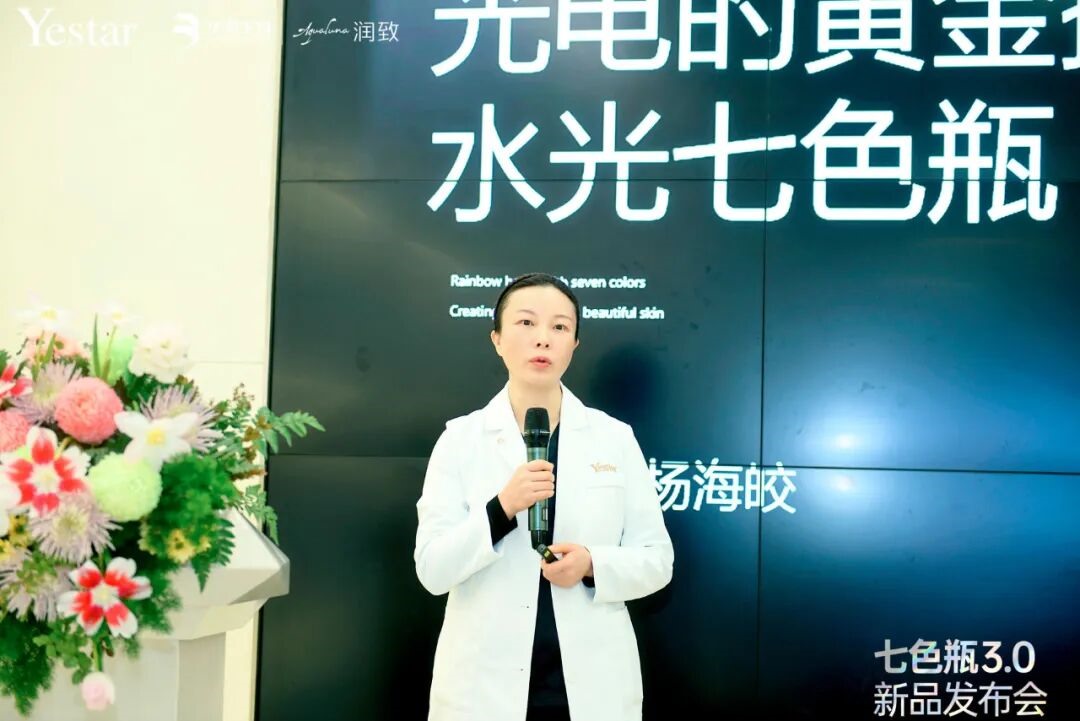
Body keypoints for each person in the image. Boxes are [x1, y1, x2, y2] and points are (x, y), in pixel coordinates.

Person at [414, 272, 674, 721]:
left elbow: (657, 560)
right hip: (482, 690)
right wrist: (501, 509)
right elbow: (432, 570)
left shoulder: (613, 438)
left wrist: (592, 564)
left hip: (591, 689)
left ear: (574, 344)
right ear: (497, 339)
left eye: (559, 327)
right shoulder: (460, 440)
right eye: (526, 323)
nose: (543, 339)